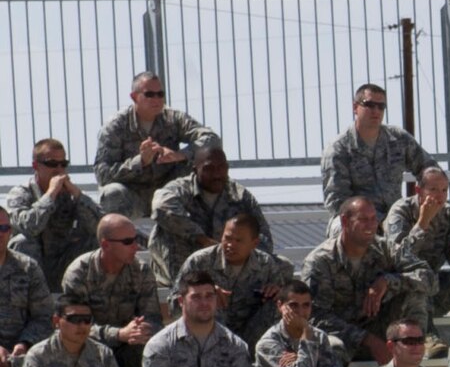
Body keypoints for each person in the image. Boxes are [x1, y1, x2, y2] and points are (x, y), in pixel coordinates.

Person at [304, 196, 431, 367]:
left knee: (415, 294)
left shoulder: (385, 248)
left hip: (382, 330)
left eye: (373, 219)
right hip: (343, 336)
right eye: (363, 220)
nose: (371, 225)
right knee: (331, 348)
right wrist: (367, 339)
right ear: (345, 221)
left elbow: (428, 278)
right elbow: (315, 316)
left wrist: (388, 281)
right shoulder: (320, 261)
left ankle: (411, 365)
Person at [150, 140, 270, 292]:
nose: (217, 174)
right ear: (195, 169)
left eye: (222, 168)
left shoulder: (239, 195)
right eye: (209, 169)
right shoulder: (179, 189)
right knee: (171, 226)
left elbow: (263, 237)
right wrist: (201, 239)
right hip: (183, 272)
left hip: (225, 272)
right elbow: (161, 208)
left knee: (281, 266)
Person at [92, 71, 213, 221]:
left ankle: (199, 235)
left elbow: (211, 139)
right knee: (112, 193)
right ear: (134, 97)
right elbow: (102, 174)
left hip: (168, 190)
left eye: (160, 94)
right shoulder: (116, 126)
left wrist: (180, 155)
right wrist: (140, 162)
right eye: (149, 94)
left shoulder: (173, 118)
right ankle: (123, 240)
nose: (156, 99)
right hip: (133, 195)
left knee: (202, 167)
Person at [175, 210, 293, 344]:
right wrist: (205, 294)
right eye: (228, 238)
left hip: (251, 332)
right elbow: (174, 301)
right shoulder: (199, 261)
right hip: (210, 335)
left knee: (279, 305)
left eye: (238, 240)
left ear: (254, 243)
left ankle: (265, 355)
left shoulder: (265, 264)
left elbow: (284, 303)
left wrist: (277, 293)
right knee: (208, 301)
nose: (231, 245)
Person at [61, 214, 160, 367]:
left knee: (156, 350)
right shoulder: (79, 273)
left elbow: (153, 317)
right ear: (106, 245)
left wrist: (142, 330)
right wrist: (119, 334)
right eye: (128, 242)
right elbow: (75, 326)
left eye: (137, 239)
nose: (136, 247)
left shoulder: (141, 270)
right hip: (90, 346)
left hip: (129, 345)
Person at [383, 166, 450, 340]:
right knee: (419, 280)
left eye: (444, 190)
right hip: (403, 292)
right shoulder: (401, 211)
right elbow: (397, 259)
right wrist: (422, 223)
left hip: (434, 289)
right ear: (419, 190)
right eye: (433, 189)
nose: (440, 195)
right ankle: (424, 337)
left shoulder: (448, 213)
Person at [321, 83, 430, 214]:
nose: (376, 111)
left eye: (381, 107)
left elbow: (430, 170)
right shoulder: (339, 149)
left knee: (444, 214)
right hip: (357, 220)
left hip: (395, 218)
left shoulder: (398, 139)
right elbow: (337, 201)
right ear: (355, 107)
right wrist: (373, 221)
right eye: (369, 105)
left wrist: (428, 199)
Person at [6, 139, 101, 280]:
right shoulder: (21, 193)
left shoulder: (69, 193)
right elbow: (29, 227)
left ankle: (86, 294)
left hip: (63, 262)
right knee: (23, 242)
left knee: (97, 239)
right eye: (51, 164)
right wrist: (50, 195)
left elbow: (99, 226)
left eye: (63, 164)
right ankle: (31, 296)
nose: (58, 169)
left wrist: (78, 195)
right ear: (35, 166)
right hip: (33, 266)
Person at [254, 281, 347, 367]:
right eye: (293, 306)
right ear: (280, 306)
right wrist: (306, 339)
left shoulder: (320, 337)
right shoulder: (268, 343)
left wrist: (299, 358)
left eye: (306, 305)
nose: (301, 312)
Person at [0, 206, 56, 367]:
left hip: (23, 354)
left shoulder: (27, 268)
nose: (0, 233)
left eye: (4, 228)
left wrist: (24, 343)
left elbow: (43, 317)